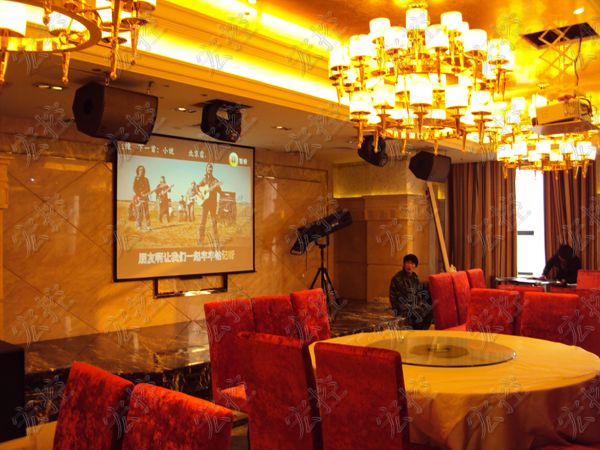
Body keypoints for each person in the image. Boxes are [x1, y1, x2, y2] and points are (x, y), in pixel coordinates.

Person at [389, 254, 432, 330]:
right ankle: (418, 330)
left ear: (415, 266)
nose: (409, 266)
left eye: (412, 263)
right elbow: (395, 299)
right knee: (419, 313)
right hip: (402, 308)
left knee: (430, 309)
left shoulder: (414, 278)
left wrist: (420, 305)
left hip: (413, 306)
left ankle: (420, 331)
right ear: (404, 264)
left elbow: (418, 295)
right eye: (407, 263)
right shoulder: (398, 278)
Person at [197, 163, 222, 247]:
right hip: (205, 204)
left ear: (212, 170)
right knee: (202, 222)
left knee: (214, 222)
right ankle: (201, 240)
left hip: (213, 204)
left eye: (211, 168)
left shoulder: (215, 180)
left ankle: (216, 240)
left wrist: (217, 188)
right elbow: (197, 187)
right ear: (206, 169)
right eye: (208, 168)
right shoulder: (204, 180)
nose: (210, 169)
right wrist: (200, 194)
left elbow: (220, 191)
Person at [132, 165, 151, 231]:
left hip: (145, 197)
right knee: (139, 212)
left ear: (144, 171)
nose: (141, 171)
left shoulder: (146, 179)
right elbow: (134, 188)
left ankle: (148, 226)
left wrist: (145, 192)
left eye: (142, 170)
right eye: (140, 169)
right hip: (138, 197)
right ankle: (139, 226)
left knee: (146, 212)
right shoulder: (136, 178)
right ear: (138, 171)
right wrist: (139, 194)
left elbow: (148, 188)